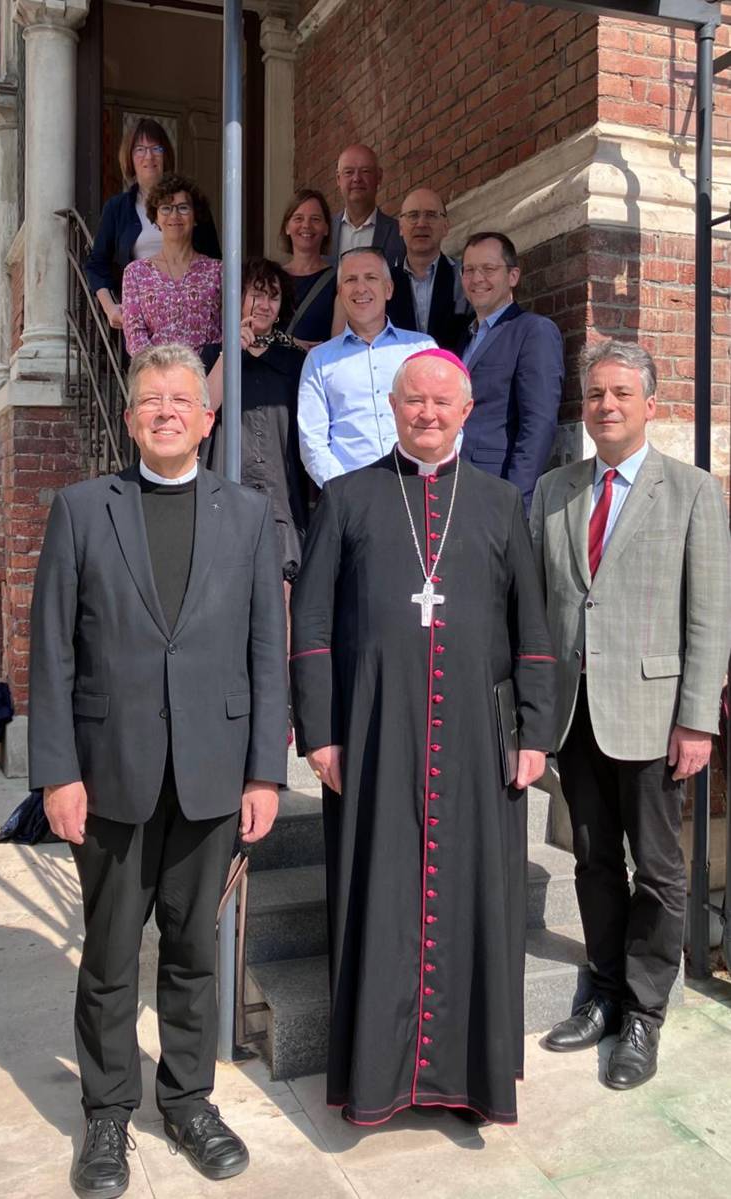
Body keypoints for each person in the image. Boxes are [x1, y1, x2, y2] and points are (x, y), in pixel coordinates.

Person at [29, 343, 288, 1196]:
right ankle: (107, 1117)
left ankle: (187, 1100)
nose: (167, 410)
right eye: (151, 399)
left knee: (191, 954)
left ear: (207, 419)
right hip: (110, 776)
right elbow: (53, 653)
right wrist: (57, 772)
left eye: (183, 398)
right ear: (133, 416)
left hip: (213, 776)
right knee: (107, 955)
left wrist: (264, 774)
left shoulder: (248, 515)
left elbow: (265, 651)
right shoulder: (81, 508)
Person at [290, 348, 557, 1127]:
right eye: (414, 401)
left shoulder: (503, 504)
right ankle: (379, 1079)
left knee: (476, 896)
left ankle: (469, 1078)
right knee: (379, 895)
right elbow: (309, 624)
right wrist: (321, 731)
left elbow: (532, 626)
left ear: (467, 412)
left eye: (444, 402)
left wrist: (535, 732)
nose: (428, 413)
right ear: (395, 407)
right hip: (374, 734)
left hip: (480, 737)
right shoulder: (345, 498)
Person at [531, 339, 731, 1090]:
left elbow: (710, 615)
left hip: (654, 715)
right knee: (591, 859)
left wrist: (697, 720)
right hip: (574, 713)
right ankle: (605, 990)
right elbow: (542, 607)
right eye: (596, 395)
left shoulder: (691, 491)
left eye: (621, 393)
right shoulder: (555, 490)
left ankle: (645, 1011)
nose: (607, 406)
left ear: (650, 403)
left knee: (658, 868)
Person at [202, 258, 309, 593]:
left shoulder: (294, 360)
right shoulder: (213, 353)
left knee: (281, 597)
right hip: (226, 489)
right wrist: (232, 350)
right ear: (238, 298)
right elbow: (203, 407)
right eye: (256, 294)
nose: (264, 304)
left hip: (279, 493)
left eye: (273, 297)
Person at [297, 247, 436, 487]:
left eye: (371, 278)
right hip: (351, 496)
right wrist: (346, 492)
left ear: (389, 289)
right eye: (351, 280)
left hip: (420, 487)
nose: (361, 288)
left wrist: (431, 473)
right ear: (340, 293)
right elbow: (312, 443)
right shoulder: (319, 360)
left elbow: (449, 419)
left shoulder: (421, 349)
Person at [457, 231, 564, 512]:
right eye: (469, 270)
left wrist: (515, 501)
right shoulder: (462, 338)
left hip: (497, 488)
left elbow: (538, 424)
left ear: (513, 276)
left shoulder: (533, 331)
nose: (477, 278)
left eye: (489, 269)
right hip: (453, 485)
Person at [85, 118, 220, 331]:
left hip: (193, 313)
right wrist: (111, 308)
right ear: (130, 157)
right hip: (143, 318)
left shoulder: (190, 201)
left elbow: (214, 258)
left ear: (166, 154)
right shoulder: (117, 208)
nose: (149, 156)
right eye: (140, 149)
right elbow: (96, 264)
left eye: (156, 148)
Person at [122, 174, 223, 357]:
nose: (174, 215)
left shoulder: (217, 271)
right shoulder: (136, 273)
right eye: (166, 208)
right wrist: (163, 375)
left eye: (183, 208)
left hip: (206, 379)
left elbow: (228, 333)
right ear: (156, 218)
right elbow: (135, 336)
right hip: (156, 378)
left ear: (196, 217)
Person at [387, 186, 472, 352]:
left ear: (446, 226)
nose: (421, 223)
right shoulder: (384, 283)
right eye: (413, 216)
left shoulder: (466, 276)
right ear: (401, 227)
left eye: (431, 215)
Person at [329, 144, 405, 267]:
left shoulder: (400, 235)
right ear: (338, 179)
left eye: (365, 171)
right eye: (349, 172)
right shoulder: (324, 233)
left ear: (379, 176)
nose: (357, 178)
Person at [279, 189, 336, 344]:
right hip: (274, 367)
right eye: (298, 218)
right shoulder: (273, 278)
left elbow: (338, 343)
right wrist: (292, 342)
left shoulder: (338, 281)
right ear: (287, 227)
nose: (306, 225)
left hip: (317, 367)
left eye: (315, 219)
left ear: (326, 228)